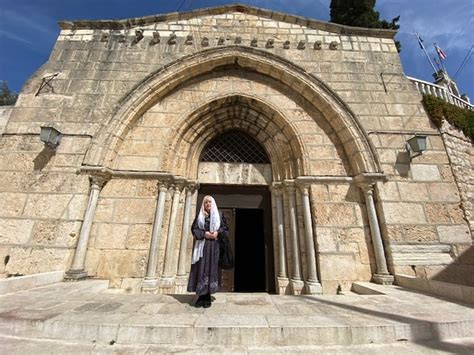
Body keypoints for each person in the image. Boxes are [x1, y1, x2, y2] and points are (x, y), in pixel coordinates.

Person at [187, 195, 228, 308]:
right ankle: (201, 296)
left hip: (214, 248)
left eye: (209, 202)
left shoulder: (219, 215)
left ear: (213, 203)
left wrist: (217, 233)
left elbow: (225, 229)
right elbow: (194, 229)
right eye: (205, 202)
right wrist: (204, 233)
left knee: (211, 269)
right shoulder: (200, 216)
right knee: (201, 269)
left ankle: (208, 296)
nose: (208, 204)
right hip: (202, 247)